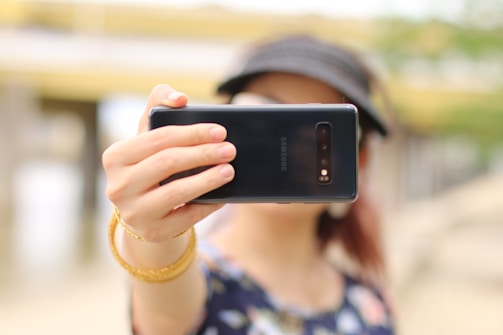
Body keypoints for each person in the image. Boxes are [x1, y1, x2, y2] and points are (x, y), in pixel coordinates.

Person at [102, 34, 395, 335]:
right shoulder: (203, 282)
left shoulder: (371, 303)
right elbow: (163, 301)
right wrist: (151, 234)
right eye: (268, 111)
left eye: (318, 125)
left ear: (357, 162)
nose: (291, 140)